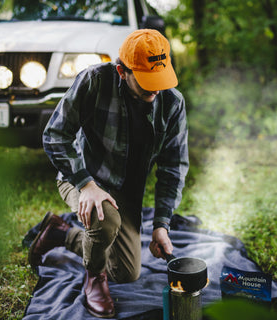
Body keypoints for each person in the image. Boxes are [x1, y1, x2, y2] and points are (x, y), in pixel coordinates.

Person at [28, 29, 189, 318]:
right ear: (122, 71)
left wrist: (161, 224)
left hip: (125, 192)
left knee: (126, 273)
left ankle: (59, 234)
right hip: (80, 177)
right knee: (104, 221)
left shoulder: (172, 103)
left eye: (159, 80)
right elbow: (55, 135)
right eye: (146, 82)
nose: (155, 90)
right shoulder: (94, 81)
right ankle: (93, 279)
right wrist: (86, 184)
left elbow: (172, 167)